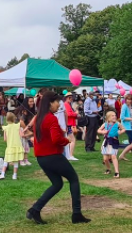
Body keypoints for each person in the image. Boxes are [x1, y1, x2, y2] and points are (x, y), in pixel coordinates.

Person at [26, 92, 90, 225]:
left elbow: (47, 135)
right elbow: (56, 139)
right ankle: (76, 214)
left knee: (57, 184)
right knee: (73, 179)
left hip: (42, 158)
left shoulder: (39, 118)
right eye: (57, 103)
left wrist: (62, 133)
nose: (58, 106)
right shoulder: (51, 118)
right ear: (50, 102)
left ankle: (35, 209)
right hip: (52, 156)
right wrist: (67, 140)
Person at [98, 110, 125, 178]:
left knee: (113, 156)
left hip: (114, 141)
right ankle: (108, 169)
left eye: (115, 115)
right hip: (107, 141)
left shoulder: (117, 124)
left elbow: (123, 129)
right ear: (108, 117)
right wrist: (103, 132)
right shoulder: (105, 124)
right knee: (105, 159)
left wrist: (120, 132)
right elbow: (98, 130)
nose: (114, 117)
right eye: (112, 115)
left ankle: (117, 172)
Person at [1, 115, 24, 180]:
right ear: (14, 119)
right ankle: (14, 175)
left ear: (6, 120)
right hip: (17, 145)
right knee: (16, 161)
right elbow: (22, 135)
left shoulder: (5, 128)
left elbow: (5, 139)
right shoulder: (17, 126)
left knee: (6, 160)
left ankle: (2, 174)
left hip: (10, 146)